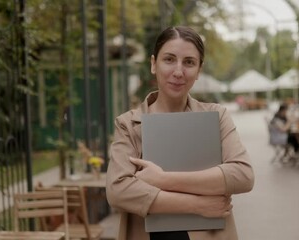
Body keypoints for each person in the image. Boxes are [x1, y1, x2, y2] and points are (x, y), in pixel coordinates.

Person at [106, 26, 255, 240]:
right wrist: (197, 205)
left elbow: (243, 175)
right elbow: (118, 190)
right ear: (153, 64)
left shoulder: (216, 116)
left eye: (189, 62)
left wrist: (163, 179)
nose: (178, 71)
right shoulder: (128, 124)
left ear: (199, 70)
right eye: (169, 59)